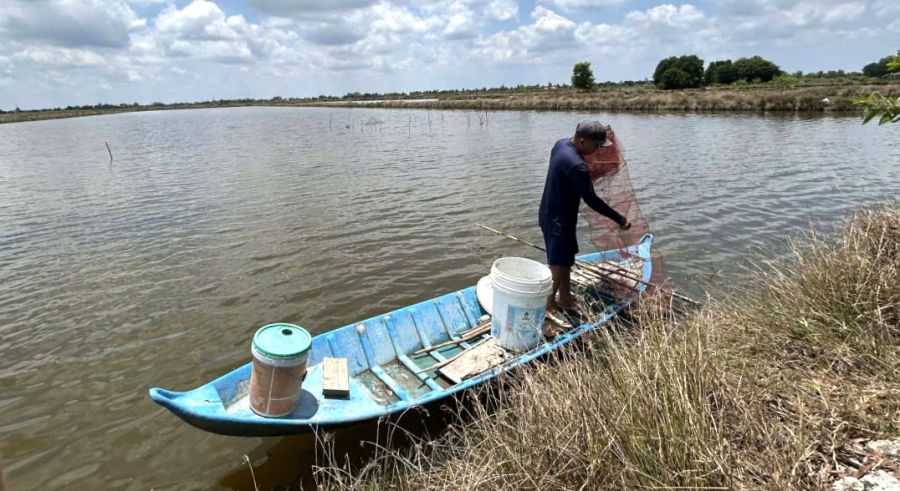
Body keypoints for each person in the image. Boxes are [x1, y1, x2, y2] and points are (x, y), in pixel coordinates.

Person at [538, 120, 631, 311]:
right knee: (557, 264)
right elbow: (592, 200)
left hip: (550, 213)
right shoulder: (577, 166)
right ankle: (547, 305)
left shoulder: (560, 144)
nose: (597, 150)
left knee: (566, 258)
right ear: (581, 140)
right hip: (558, 221)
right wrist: (620, 219)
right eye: (595, 145)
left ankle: (565, 296)